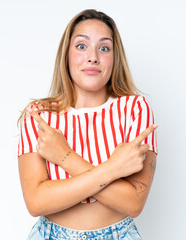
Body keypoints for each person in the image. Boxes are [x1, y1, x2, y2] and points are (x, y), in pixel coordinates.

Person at [17, 9, 158, 240]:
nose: (93, 57)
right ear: (67, 54)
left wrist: (64, 156)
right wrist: (113, 169)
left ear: (115, 57)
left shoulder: (135, 109)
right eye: (82, 46)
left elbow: (133, 203)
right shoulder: (39, 115)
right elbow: (36, 202)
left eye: (104, 48)